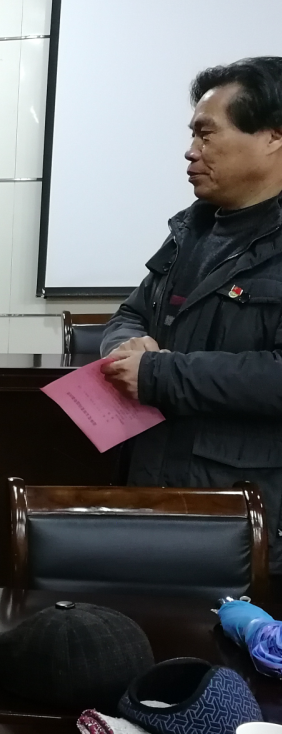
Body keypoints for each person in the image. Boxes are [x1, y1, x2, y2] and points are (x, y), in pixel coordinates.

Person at [102, 56, 282, 571]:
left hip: (244, 517)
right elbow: (130, 313)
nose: (191, 150)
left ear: (273, 136)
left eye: (206, 134)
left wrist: (158, 374)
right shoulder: (191, 230)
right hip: (153, 490)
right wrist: (126, 346)